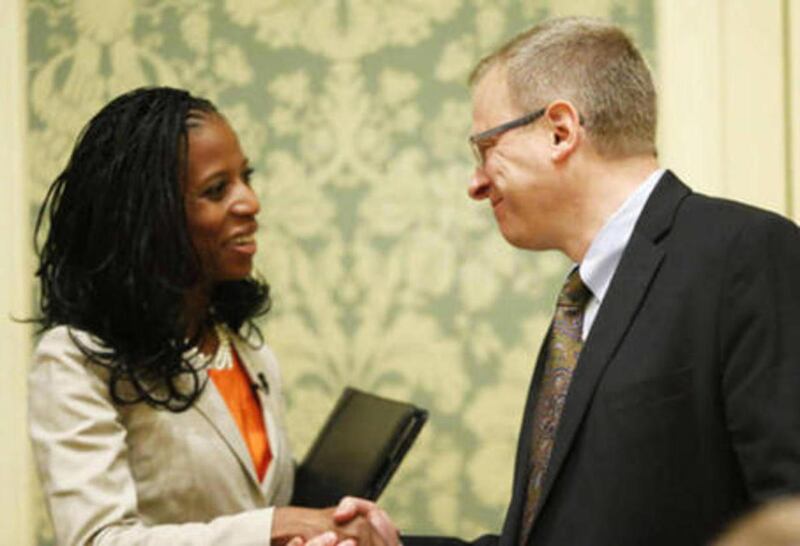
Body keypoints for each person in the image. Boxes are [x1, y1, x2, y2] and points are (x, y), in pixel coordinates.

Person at [412, 16, 800, 546]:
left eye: (485, 148)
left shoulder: (745, 254)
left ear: (560, 131)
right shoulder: (581, 302)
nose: (476, 183)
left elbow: (790, 509)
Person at [28, 87, 397, 546]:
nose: (250, 202)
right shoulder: (74, 360)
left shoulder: (249, 352)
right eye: (216, 190)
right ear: (150, 218)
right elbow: (97, 540)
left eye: (246, 177)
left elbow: (257, 504)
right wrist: (274, 527)